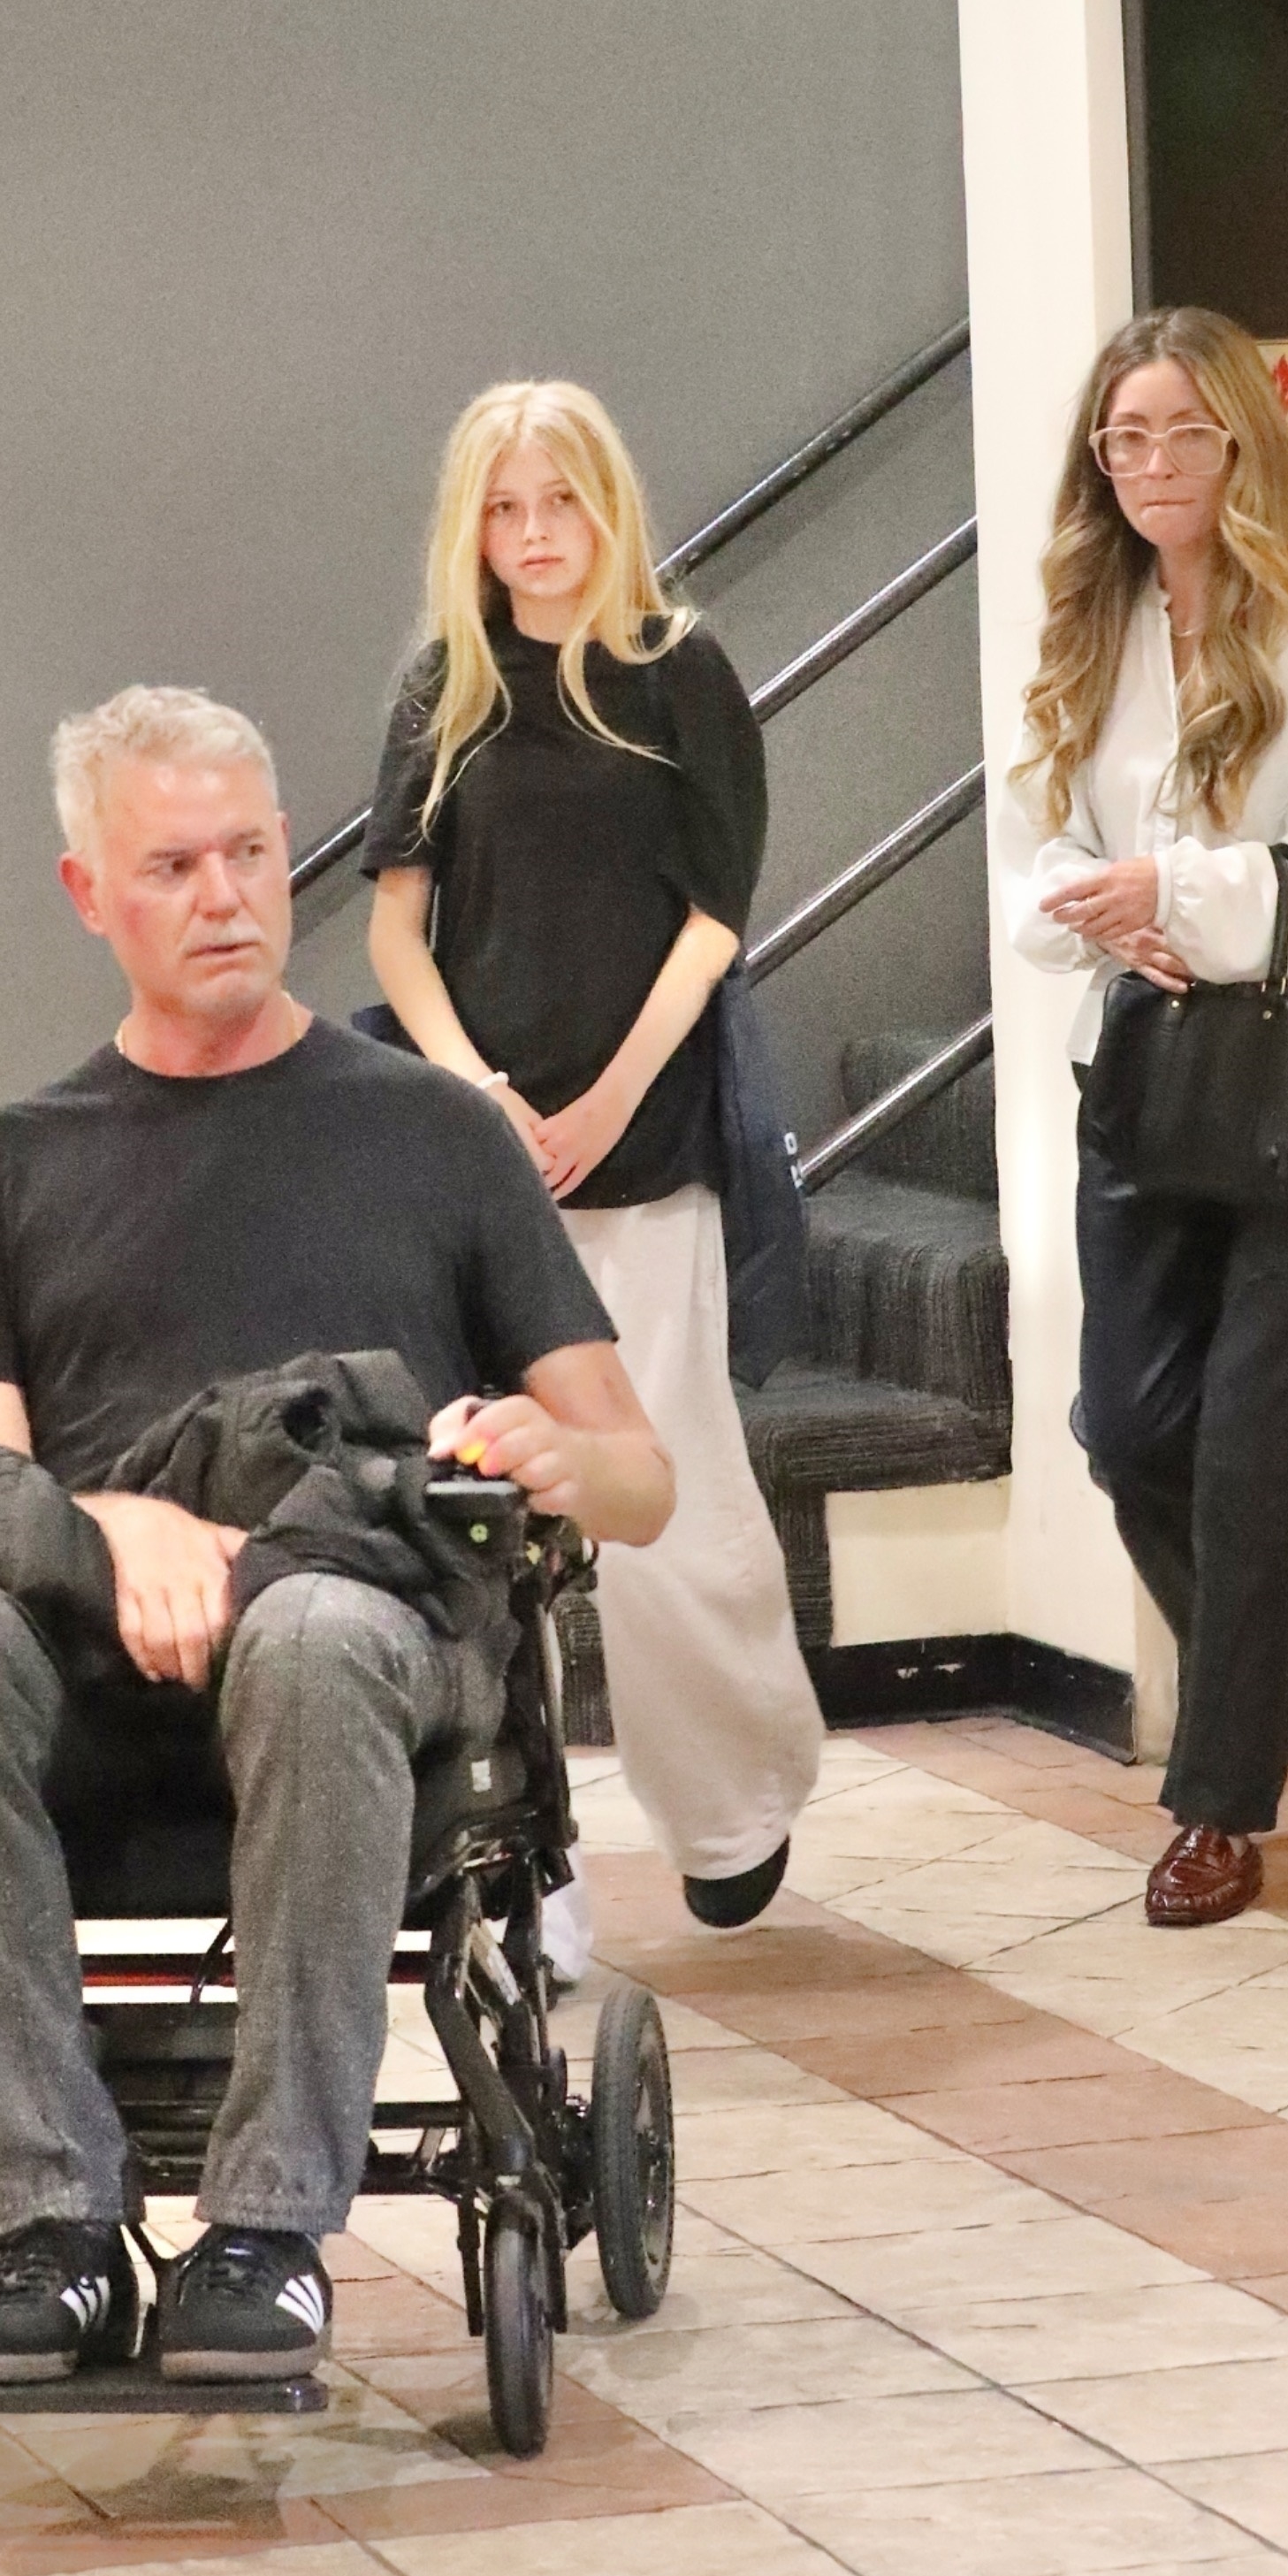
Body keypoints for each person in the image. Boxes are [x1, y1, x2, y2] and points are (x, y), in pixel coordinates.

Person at [0, 684, 673, 2386]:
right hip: (97, 1655)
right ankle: (49, 2223)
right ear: (91, 895)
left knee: (305, 1638)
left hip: (365, 1631)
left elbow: (639, 1477)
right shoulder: (0, 1170)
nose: (228, 894)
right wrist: (117, 1519)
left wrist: (549, 1458)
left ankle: (269, 2230)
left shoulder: (434, 1132)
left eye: (251, 851)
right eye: (174, 864)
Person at [363, 379, 823, 1948]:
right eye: (505, 509)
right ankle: (512, 1869)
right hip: (473, 1155)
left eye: (558, 502)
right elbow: (393, 927)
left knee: (666, 1474)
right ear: (471, 528)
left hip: (646, 1139)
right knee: (479, 1505)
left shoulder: (679, 672)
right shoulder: (446, 686)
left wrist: (614, 1098)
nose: (535, 536)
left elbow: (715, 920)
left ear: (605, 506)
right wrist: (472, 1091)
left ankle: (733, 1803)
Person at [996, 308, 1288, 1928]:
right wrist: (1102, 910)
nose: (1152, 465)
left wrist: (1167, 888)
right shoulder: (1091, 624)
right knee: (1126, 1428)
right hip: (1152, 1075)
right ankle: (1261, 1675)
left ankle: (1216, 1803)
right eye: (1124, 438)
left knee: (1247, 1452)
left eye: (1182, 434)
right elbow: (1035, 864)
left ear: (1241, 444)